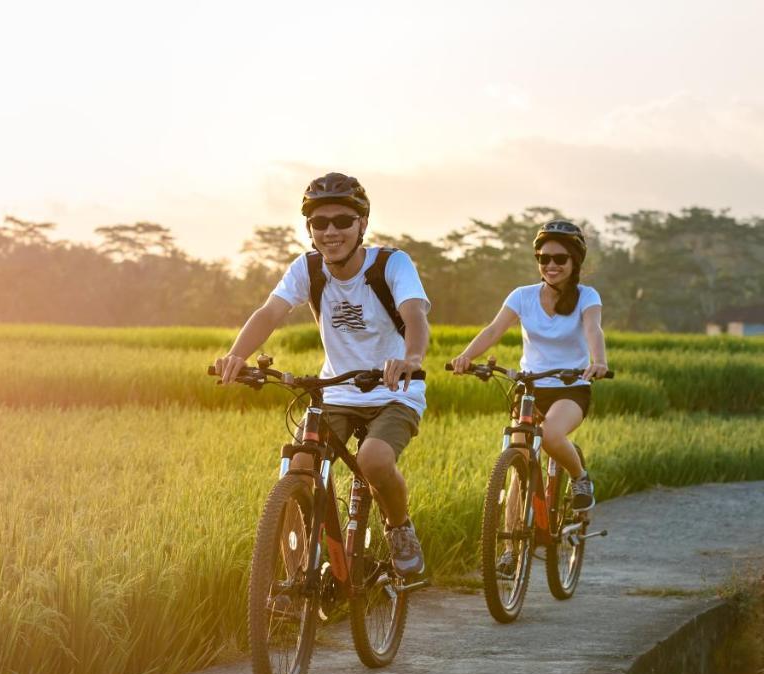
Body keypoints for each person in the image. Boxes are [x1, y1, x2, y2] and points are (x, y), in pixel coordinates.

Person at [215, 173, 431, 578]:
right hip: (337, 391)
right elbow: (270, 312)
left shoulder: (391, 263)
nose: (331, 231)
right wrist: (236, 355)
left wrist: (411, 357)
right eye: (320, 223)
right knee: (300, 465)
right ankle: (299, 574)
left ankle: (400, 527)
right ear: (310, 229)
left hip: (393, 389)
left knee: (374, 459)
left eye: (342, 221)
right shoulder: (307, 268)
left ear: (362, 224)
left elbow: (415, 314)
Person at [449, 219, 608, 517]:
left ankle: (579, 478)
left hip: (570, 388)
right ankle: (509, 551)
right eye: (543, 258)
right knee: (518, 462)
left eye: (559, 258)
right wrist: (465, 356)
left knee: (550, 436)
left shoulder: (587, 296)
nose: (551, 265)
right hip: (529, 388)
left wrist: (598, 361)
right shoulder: (522, 295)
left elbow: (593, 330)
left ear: (575, 261)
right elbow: (493, 330)